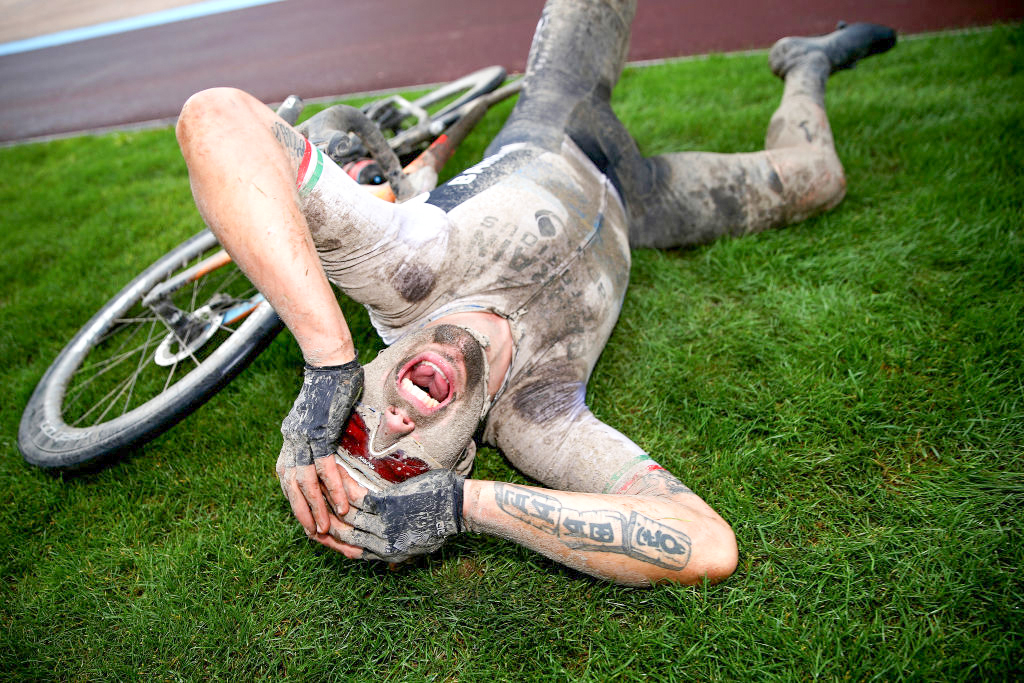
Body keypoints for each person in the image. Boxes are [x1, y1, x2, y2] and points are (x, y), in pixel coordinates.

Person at [175, 0, 895, 586]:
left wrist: (328, 361)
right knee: (820, 179)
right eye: (402, 464)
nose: (393, 421)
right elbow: (707, 543)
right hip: (641, 203)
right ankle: (807, 63)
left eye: (356, 428)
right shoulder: (533, 420)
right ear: (459, 460)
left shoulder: (397, 272)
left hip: (558, 110)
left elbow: (215, 118)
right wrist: (463, 507)